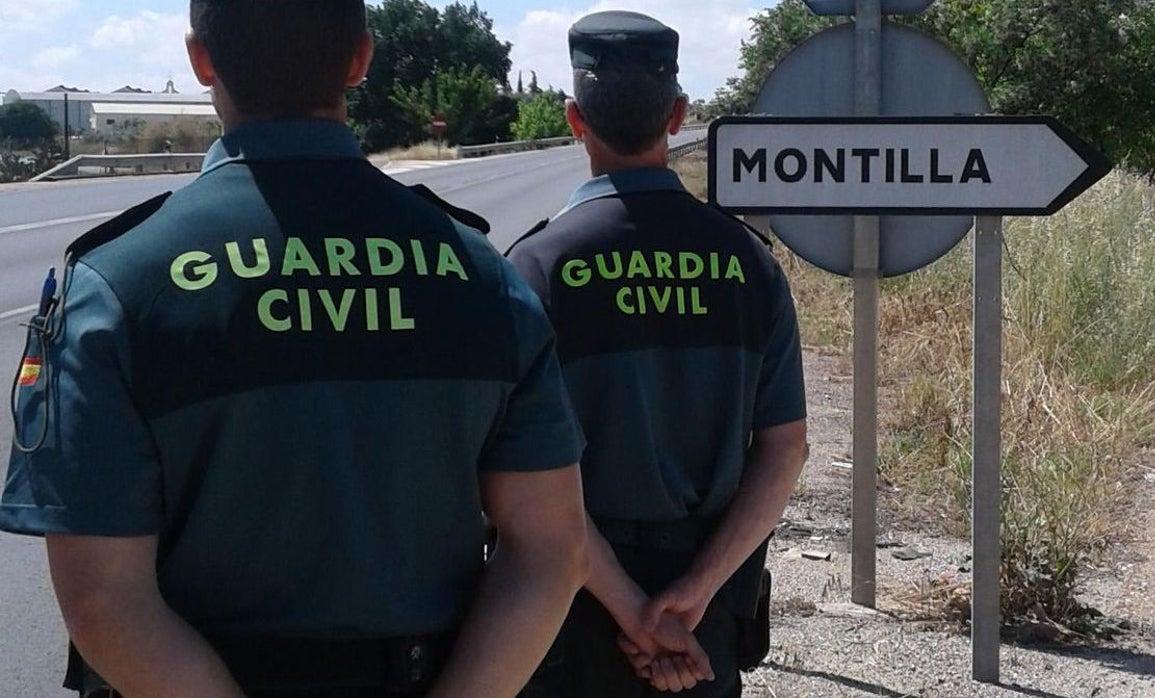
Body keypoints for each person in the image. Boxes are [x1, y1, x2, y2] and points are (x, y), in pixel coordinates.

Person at [2, 1, 589, 696]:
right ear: (361, 61)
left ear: (200, 61)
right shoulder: (481, 277)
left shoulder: (117, 285)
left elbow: (105, 600)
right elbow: (551, 550)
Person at [506, 11, 809, 698]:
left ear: (574, 119)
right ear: (678, 115)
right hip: (708, 608)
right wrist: (691, 599)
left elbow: (517, 476)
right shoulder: (749, 265)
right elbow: (784, 449)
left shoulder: (536, 269)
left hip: (564, 607)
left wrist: (628, 609)